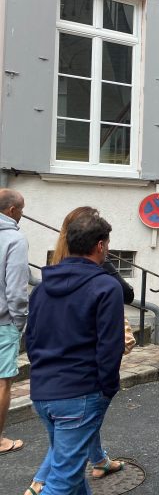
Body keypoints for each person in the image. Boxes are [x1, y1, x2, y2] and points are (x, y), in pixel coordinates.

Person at [27, 207, 135, 495]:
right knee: (62, 482)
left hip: (44, 392)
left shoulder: (40, 288)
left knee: (72, 476)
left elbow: (32, 339)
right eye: (107, 245)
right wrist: (107, 389)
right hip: (80, 393)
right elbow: (109, 347)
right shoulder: (105, 286)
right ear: (100, 245)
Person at [0, 189, 28, 457]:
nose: (22, 216)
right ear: (11, 211)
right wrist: (20, 322)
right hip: (2, 321)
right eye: (21, 210)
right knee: (2, 383)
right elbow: (16, 289)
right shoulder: (14, 239)